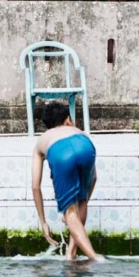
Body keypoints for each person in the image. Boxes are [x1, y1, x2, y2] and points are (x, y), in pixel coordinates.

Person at [32, 101, 103, 261]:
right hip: (86, 146)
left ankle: (94, 257)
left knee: (70, 212)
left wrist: (43, 222)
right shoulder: (80, 132)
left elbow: (35, 186)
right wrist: (81, 203)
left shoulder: (44, 139)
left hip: (60, 152)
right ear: (68, 120)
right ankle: (71, 253)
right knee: (81, 200)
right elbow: (94, 177)